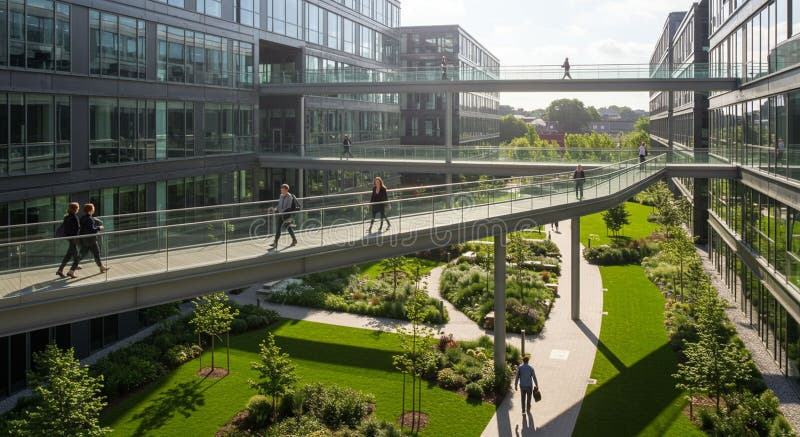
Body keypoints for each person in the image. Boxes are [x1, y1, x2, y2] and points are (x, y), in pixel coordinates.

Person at [78, 203, 110, 273]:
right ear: (90, 210)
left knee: (83, 252)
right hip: (91, 239)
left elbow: (85, 228)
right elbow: (92, 229)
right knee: (96, 252)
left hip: (85, 238)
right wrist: (99, 228)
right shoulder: (89, 219)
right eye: (93, 208)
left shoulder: (83, 218)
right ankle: (101, 267)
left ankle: (73, 267)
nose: (94, 210)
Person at [56, 202, 81, 278]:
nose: (78, 209)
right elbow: (76, 230)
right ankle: (71, 271)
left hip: (69, 238)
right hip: (73, 239)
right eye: (78, 208)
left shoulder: (66, 217)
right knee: (77, 256)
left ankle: (60, 270)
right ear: (76, 209)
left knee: (68, 255)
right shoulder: (75, 218)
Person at [269, 184, 298, 249]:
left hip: (286, 215)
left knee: (288, 227)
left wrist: (281, 212)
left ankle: (294, 240)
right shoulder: (281, 196)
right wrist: (275, 209)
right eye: (281, 189)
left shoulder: (289, 197)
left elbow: (288, 207)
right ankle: (276, 242)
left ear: (286, 190)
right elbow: (279, 205)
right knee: (279, 228)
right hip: (281, 214)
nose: (281, 190)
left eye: (283, 189)